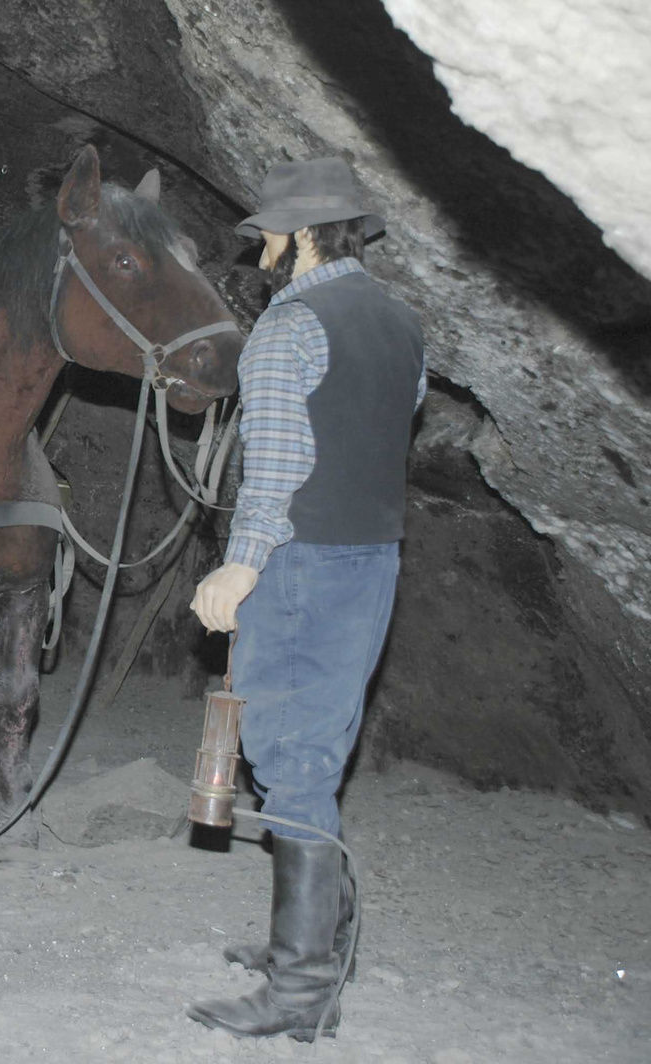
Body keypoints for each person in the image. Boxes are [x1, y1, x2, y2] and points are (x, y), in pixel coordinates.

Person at [187, 157, 426, 1040]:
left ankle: (300, 989)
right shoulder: (404, 324)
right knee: (317, 748)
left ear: (295, 236)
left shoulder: (288, 326)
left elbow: (281, 465)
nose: (264, 252)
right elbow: (388, 424)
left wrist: (239, 566)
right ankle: (326, 943)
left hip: (301, 562)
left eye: (269, 238)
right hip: (373, 562)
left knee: (290, 756)